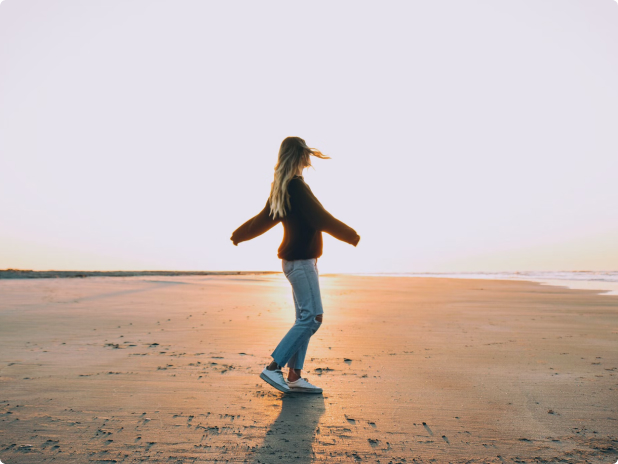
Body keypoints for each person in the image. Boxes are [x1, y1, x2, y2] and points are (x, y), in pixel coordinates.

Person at [230, 136, 360, 394]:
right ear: (301, 156)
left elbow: (261, 220)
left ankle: (294, 376)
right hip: (301, 262)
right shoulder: (297, 187)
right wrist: (351, 236)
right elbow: (320, 218)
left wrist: (238, 234)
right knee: (312, 317)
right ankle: (274, 367)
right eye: (306, 154)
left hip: (295, 262)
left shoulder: (283, 187)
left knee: (304, 318)